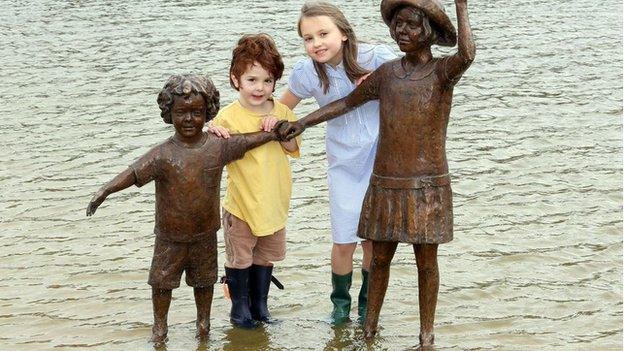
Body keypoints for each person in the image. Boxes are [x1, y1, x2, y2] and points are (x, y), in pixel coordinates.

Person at [278, 0, 476, 347]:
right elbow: (344, 104)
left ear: (428, 31)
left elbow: (468, 54)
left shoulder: (442, 72)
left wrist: (460, 6)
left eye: (412, 25)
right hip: (384, 181)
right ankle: (367, 328)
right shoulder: (388, 73)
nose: (403, 32)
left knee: (425, 262)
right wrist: (301, 124)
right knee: (378, 256)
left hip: (427, 183)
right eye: (397, 25)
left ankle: (426, 336)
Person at [86, 74, 284, 344]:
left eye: (197, 112)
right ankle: (160, 329)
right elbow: (132, 173)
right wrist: (104, 191)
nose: (189, 119)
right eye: (181, 113)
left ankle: (204, 327)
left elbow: (248, 141)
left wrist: (275, 133)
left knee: (204, 284)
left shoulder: (217, 146)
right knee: (162, 284)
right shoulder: (163, 154)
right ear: (169, 114)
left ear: (207, 113)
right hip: (170, 237)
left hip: (205, 235)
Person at [278, 1, 396, 325]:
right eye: (308, 38)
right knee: (344, 239)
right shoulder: (308, 73)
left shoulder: (375, 57)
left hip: (379, 159)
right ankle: (340, 307)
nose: (316, 43)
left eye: (323, 33)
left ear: (343, 33)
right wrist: (264, 123)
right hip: (343, 164)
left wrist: (378, 78)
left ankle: (367, 303)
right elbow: (282, 108)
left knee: (372, 238)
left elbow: (410, 78)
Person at [207, 34, 300, 329]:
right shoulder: (228, 117)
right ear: (236, 80)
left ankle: (261, 305)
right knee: (240, 258)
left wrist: (280, 127)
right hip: (242, 205)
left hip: (274, 202)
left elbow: (292, 148)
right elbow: (211, 153)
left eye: (268, 81)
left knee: (266, 256)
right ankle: (240, 308)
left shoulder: (282, 111)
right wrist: (213, 131)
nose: (260, 88)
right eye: (252, 79)